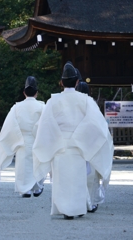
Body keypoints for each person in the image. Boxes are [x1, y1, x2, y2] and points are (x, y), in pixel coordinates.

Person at [32, 62, 114, 219]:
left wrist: (56, 141)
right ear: (77, 82)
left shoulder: (53, 101)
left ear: (61, 82)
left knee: (61, 179)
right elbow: (97, 124)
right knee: (78, 178)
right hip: (79, 146)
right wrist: (81, 138)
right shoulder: (85, 100)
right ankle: (78, 207)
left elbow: (44, 126)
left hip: (59, 145)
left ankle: (63, 208)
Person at [0, 76, 45, 198]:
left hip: (22, 140)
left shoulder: (16, 107)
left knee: (23, 166)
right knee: (38, 163)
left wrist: (16, 140)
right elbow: (47, 125)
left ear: (24, 93)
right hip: (37, 139)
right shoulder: (42, 107)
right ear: (36, 93)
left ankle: (25, 189)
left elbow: (9, 127)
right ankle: (37, 188)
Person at [76, 81, 108, 212]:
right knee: (92, 176)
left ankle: (79, 201)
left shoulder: (74, 106)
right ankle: (92, 202)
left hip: (76, 144)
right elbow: (100, 127)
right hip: (92, 144)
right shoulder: (92, 105)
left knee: (77, 174)